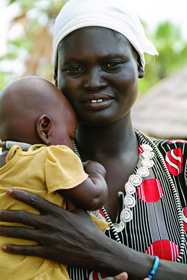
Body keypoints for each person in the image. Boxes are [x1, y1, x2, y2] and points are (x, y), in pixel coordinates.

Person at [0, 0, 187, 279]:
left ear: (139, 64)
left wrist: (104, 252)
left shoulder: (181, 164)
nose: (94, 82)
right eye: (75, 69)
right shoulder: (16, 171)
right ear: (56, 75)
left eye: (111, 64)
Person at [0, 76, 109, 280]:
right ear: (45, 128)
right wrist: (96, 172)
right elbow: (94, 197)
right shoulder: (50, 156)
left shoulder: (5, 164)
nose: (71, 147)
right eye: (70, 136)